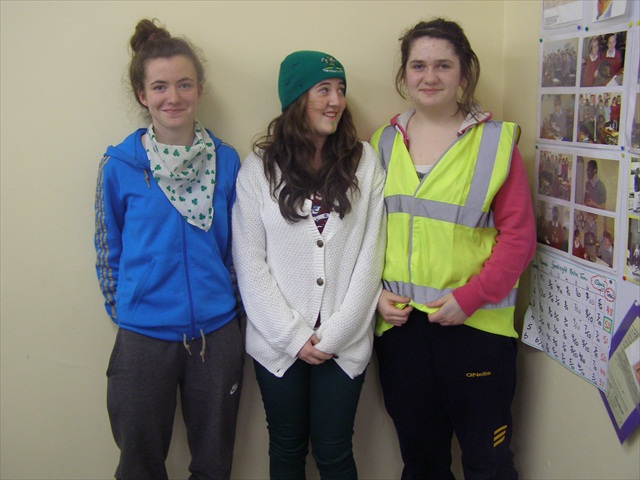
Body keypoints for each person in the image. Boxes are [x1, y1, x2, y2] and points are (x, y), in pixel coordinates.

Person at [370, 18, 535, 480]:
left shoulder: (496, 143)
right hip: (401, 332)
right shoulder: (382, 143)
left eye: (443, 65)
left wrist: (470, 298)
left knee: (488, 464)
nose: (430, 77)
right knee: (421, 465)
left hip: (475, 329)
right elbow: (362, 237)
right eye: (418, 66)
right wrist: (374, 296)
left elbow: (519, 239)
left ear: (464, 73)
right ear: (404, 75)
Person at [94, 19, 244, 480]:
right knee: (138, 464)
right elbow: (107, 248)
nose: (173, 97)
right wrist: (131, 309)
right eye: (159, 87)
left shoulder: (227, 160)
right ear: (143, 95)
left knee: (213, 464)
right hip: (143, 336)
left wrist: (228, 306)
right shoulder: (119, 166)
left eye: (184, 84)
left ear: (199, 88)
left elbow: (239, 249)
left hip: (216, 335)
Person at [232, 50, 386, 479]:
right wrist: (293, 336)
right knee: (286, 448)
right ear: (296, 99)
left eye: (340, 89)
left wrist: (336, 334)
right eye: (323, 90)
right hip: (277, 341)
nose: (335, 101)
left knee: (334, 451)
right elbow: (249, 262)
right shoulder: (258, 170)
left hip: (345, 339)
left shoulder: (365, 162)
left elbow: (371, 255)